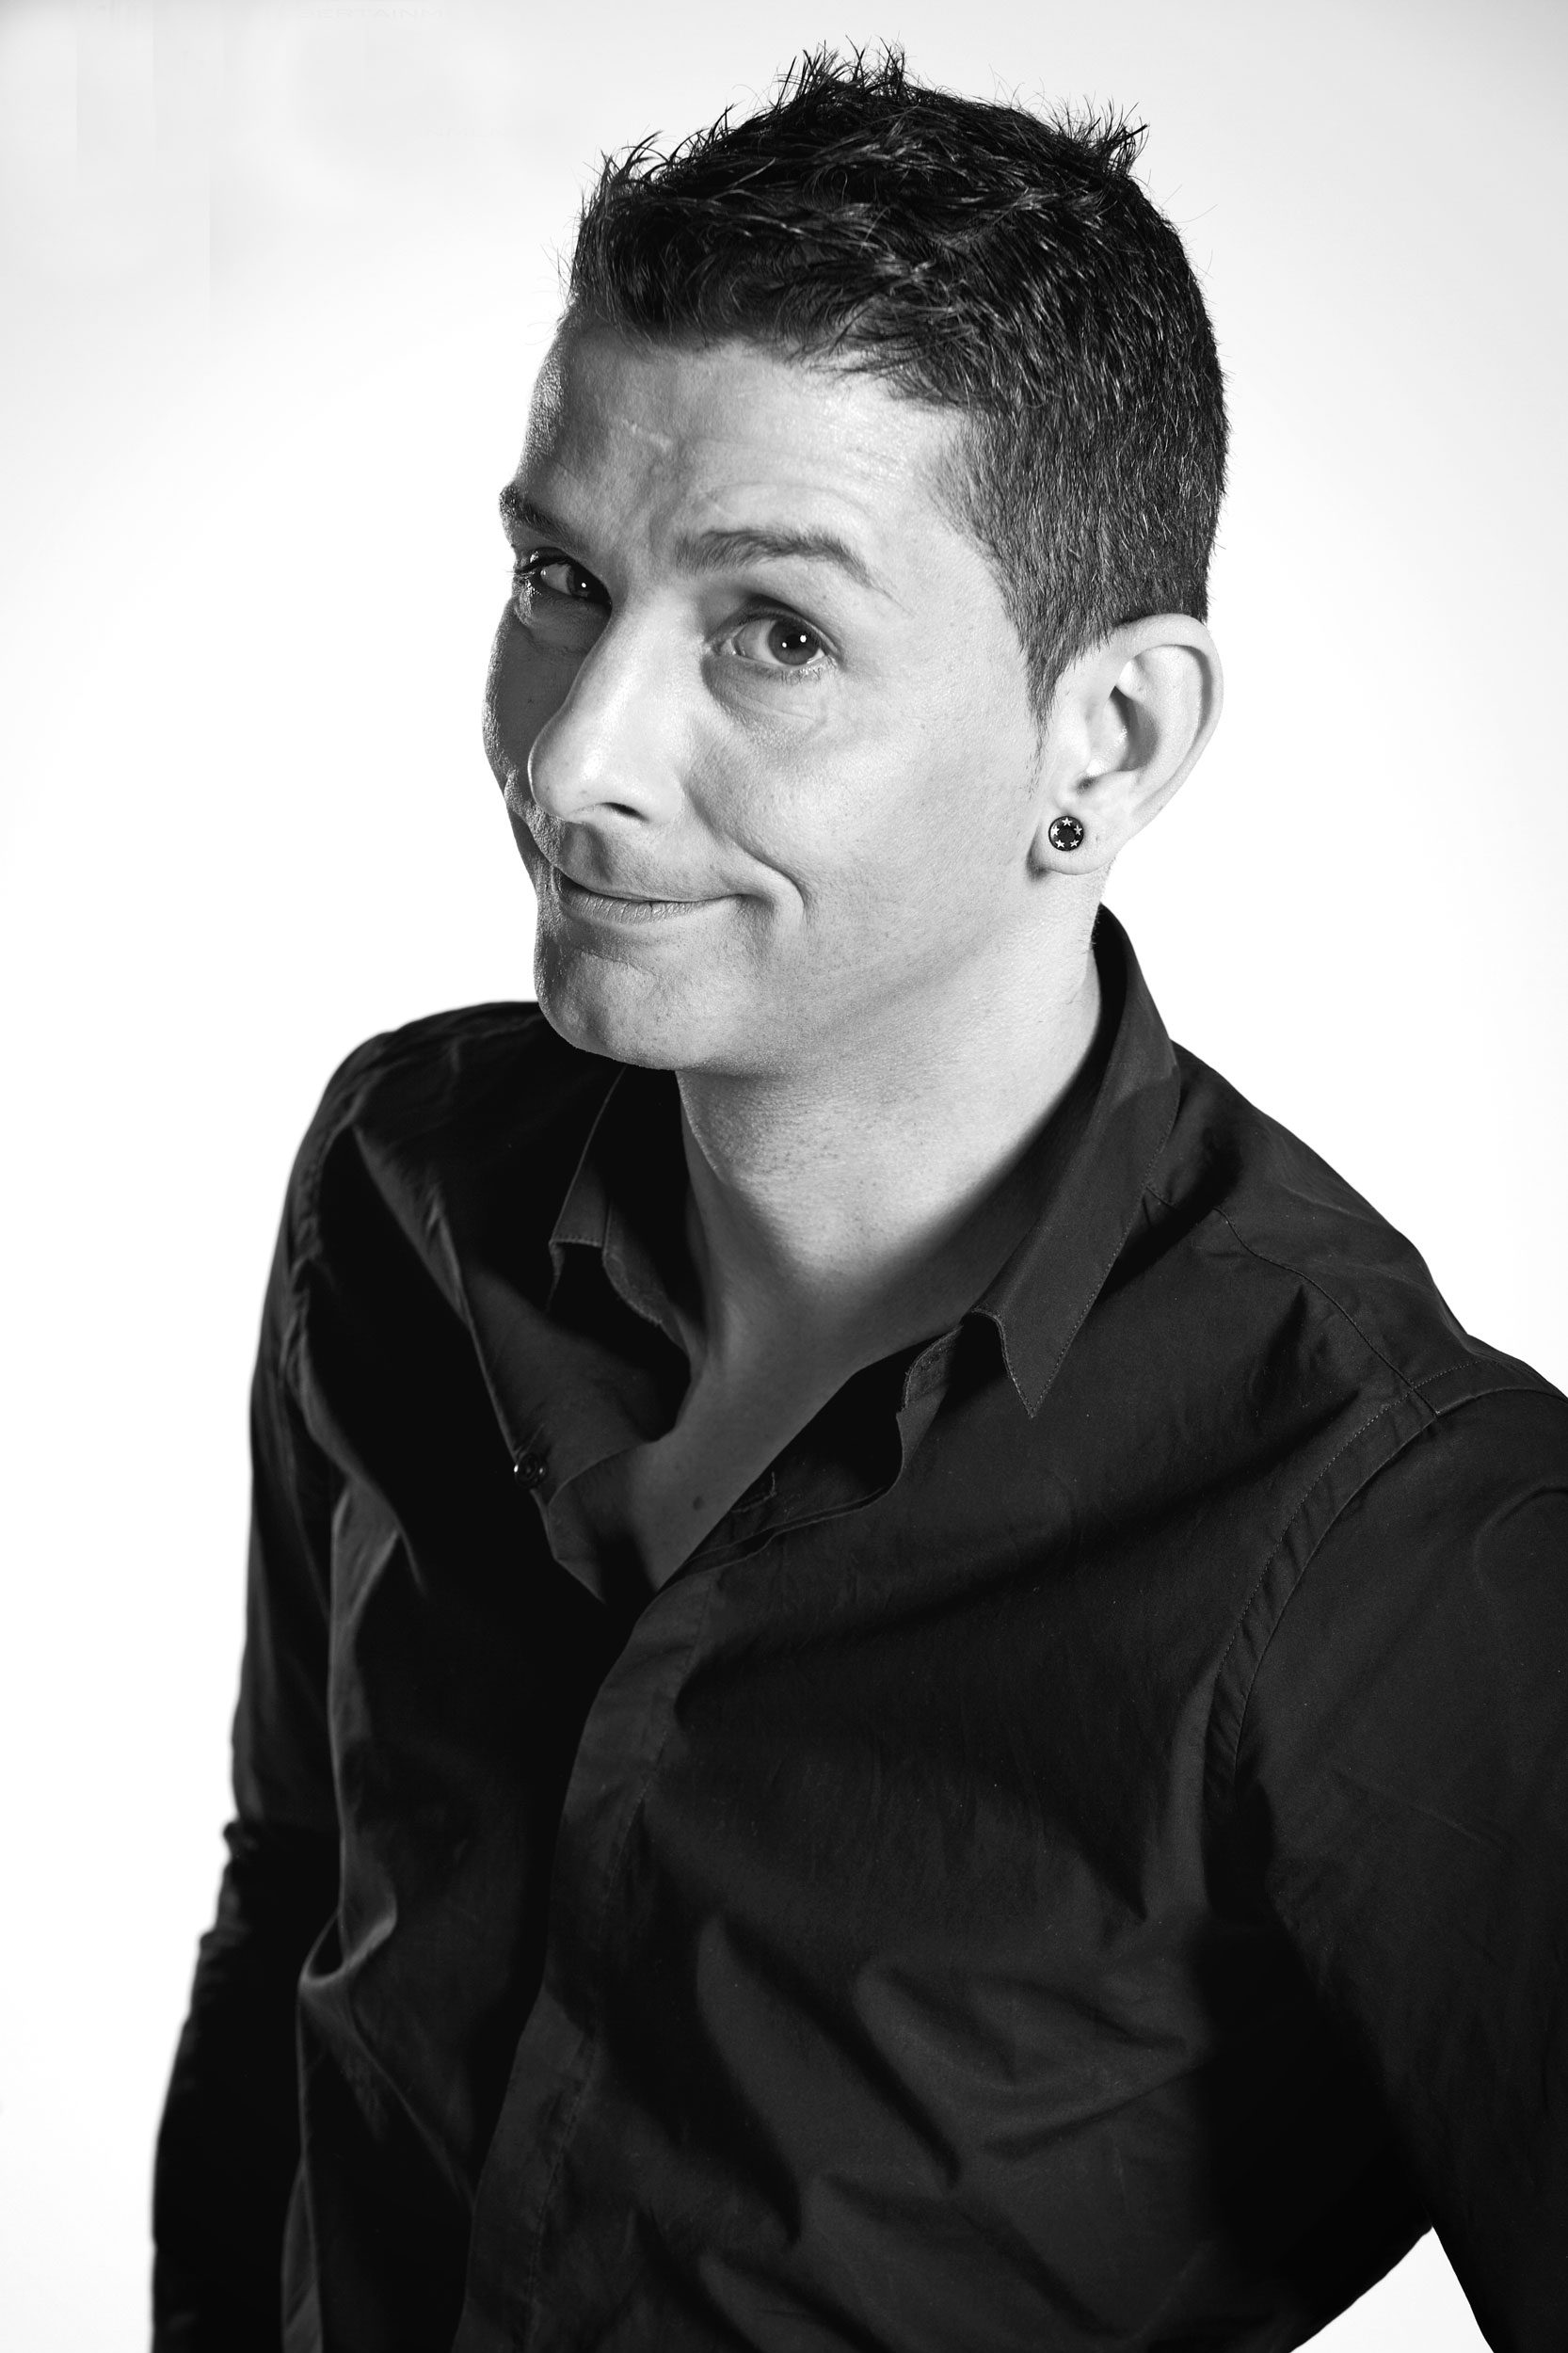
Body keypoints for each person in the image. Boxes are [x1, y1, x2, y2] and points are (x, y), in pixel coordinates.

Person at [152, 48, 1568, 2353]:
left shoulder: (1402, 1540)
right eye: (560, 580)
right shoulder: (400, 1178)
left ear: (1105, 741)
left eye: (774, 634)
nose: (572, 760)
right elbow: (294, 1915)